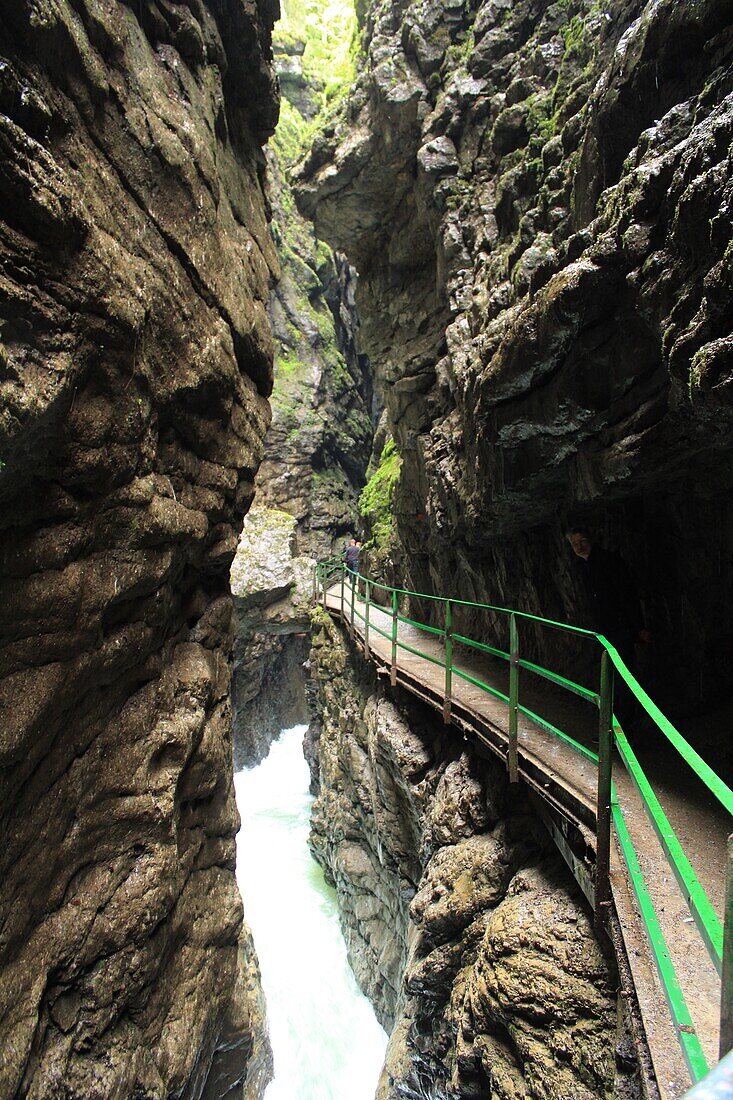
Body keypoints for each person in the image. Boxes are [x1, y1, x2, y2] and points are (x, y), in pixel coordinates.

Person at [566, 527, 651, 671]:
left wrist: (638, 626)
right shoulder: (580, 567)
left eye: (583, 541)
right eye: (575, 544)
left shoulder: (609, 560)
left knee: (623, 668)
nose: (580, 546)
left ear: (590, 540)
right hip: (602, 628)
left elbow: (627, 594)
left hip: (619, 625)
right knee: (611, 669)